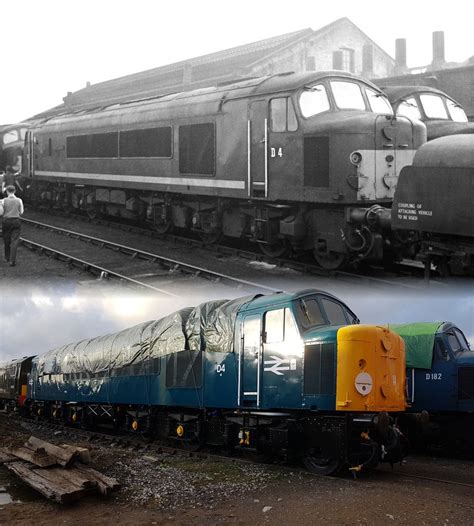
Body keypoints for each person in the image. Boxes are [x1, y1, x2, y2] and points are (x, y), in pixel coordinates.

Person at [1, 185, 24, 266]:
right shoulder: (19, 200)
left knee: (7, 240)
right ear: (14, 191)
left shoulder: (3, 201)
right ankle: (12, 260)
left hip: (6, 222)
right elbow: (21, 212)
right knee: (15, 241)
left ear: (7, 191)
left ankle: (7, 257)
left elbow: (1, 213)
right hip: (16, 222)